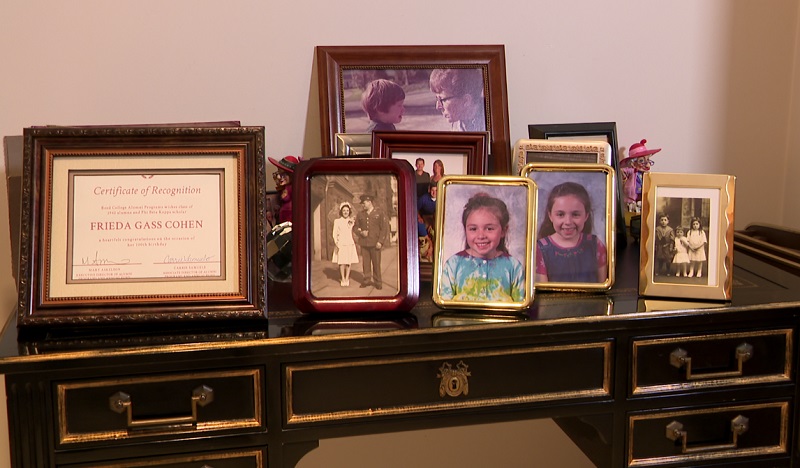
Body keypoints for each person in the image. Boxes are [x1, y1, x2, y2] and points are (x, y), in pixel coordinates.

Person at [439, 192, 525, 302]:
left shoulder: (514, 267)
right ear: (465, 230)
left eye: (489, 229)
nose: (481, 236)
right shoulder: (453, 265)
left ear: (503, 230)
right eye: (473, 229)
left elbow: (520, 305)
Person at [536, 182, 608, 283]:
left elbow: (603, 285)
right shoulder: (539, 249)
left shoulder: (596, 245)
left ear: (586, 215)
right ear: (550, 215)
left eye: (575, 214)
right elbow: (543, 290)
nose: (568, 222)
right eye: (560, 214)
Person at [355, 194, 390, 289]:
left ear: (369, 201)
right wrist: (361, 232)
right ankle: (366, 280)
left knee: (376, 264)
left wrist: (380, 242)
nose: (363, 205)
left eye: (364, 203)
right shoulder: (360, 214)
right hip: (364, 243)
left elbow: (384, 228)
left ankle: (378, 282)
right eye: (362, 203)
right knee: (365, 264)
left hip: (375, 244)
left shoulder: (379, 213)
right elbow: (355, 227)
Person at [268, 155, 301, 224]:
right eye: (279, 173)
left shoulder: (293, 189)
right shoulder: (283, 189)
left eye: (284, 174)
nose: (279, 177)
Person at [332, 203, 359, 287]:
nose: (345, 212)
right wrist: (336, 242)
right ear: (341, 211)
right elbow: (334, 233)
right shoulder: (337, 221)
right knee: (341, 262)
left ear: (349, 211)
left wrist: (351, 222)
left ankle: (347, 278)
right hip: (341, 243)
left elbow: (351, 229)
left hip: (349, 242)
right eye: (344, 210)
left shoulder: (351, 221)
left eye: (347, 210)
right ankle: (343, 278)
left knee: (348, 262)